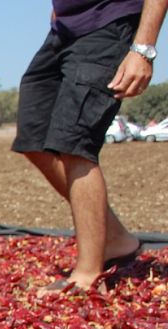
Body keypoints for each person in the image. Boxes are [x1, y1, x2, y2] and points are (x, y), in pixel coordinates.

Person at [14, 0, 166, 294]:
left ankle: (87, 277)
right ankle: (116, 237)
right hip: (64, 31)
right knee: (34, 138)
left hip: (109, 25)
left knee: (75, 144)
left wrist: (142, 49)